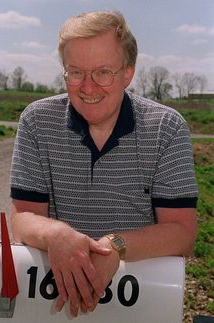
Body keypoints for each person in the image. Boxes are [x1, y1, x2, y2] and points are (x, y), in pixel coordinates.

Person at [10, 10, 198, 318]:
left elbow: (182, 232)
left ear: (128, 73)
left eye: (103, 73)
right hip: (53, 303)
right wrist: (57, 236)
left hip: (137, 296)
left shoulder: (167, 127)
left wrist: (115, 246)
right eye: (76, 72)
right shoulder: (36, 121)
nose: (88, 87)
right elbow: (23, 217)